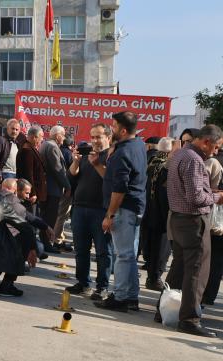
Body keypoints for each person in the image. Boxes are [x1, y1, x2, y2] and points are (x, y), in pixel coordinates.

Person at [159, 124, 223, 336]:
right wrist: (216, 197)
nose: (216, 152)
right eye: (216, 147)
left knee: (178, 267)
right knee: (197, 270)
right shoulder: (194, 160)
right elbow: (196, 198)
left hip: (178, 218)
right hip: (193, 220)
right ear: (206, 141)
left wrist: (208, 192)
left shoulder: (180, 154)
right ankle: (189, 319)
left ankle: (164, 310)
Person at [94, 112, 148, 312]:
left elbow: (119, 189)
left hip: (124, 209)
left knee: (123, 255)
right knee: (129, 255)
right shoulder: (138, 145)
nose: (111, 130)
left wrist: (110, 215)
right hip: (135, 207)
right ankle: (131, 297)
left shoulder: (122, 153)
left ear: (123, 130)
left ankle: (121, 297)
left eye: (114, 127)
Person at [68, 125, 114, 299]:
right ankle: (83, 283)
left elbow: (112, 181)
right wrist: (76, 162)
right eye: (92, 137)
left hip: (101, 210)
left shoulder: (111, 156)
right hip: (80, 207)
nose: (94, 140)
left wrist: (97, 164)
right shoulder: (87, 155)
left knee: (103, 251)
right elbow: (72, 175)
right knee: (81, 249)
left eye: (98, 137)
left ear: (108, 137)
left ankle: (102, 286)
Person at [142, 137, 174, 291]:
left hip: (147, 210)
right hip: (161, 213)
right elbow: (165, 194)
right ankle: (155, 278)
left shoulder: (151, 162)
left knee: (150, 245)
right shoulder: (167, 166)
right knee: (161, 248)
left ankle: (151, 276)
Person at [39, 126, 72, 253]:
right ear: (58, 135)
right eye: (63, 135)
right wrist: (68, 186)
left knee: (46, 217)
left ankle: (45, 242)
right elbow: (58, 170)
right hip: (52, 189)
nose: (64, 138)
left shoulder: (46, 144)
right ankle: (47, 243)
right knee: (50, 218)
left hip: (49, 188)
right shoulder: (52, 146)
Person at [16, 126, 47, 227]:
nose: (42, 140)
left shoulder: (31, 148)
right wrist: (32, 192)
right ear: (34, 137)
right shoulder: (27, 150)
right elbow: (28, 173)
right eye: (41, 137)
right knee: (31, 222)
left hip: (33, 192)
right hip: (30, 193)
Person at [203, 155, 223, 306]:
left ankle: (206, 295)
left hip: (213, 218)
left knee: (212, 258)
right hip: (215, 219)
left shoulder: (214, 160)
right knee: (216, 260)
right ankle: (208, 295)